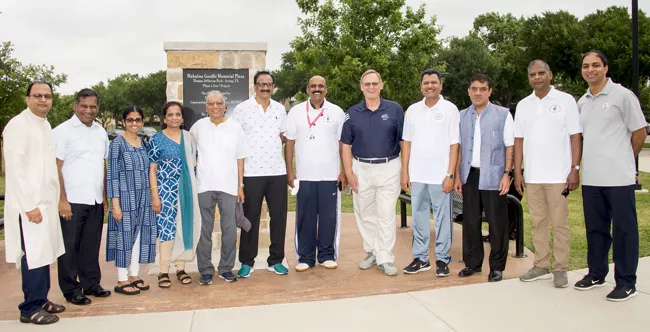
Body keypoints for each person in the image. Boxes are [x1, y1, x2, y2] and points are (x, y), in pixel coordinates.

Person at [573, 50, 647, 301]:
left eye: (595, 65)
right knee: (596, 229)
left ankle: (626, 282)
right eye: (585, 66)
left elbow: (639, 132)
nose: (590, 70)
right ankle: (596, 273)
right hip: (592, 178)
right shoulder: (582, 101)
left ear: (606, 67)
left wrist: (624, 157)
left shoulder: (623, 96)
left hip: (618, 178)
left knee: (625, 231)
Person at [514, 60, 582, 288]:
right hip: (533, 176)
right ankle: (541, 265)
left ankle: (560, 268)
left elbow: (575, 136)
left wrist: (574, 169)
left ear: (550, 75)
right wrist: (518, 171)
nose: (537, 77)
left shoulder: (565, 101)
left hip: (558, 176)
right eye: (532, 74)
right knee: (538, 223)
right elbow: (519, 140)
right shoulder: (524, 104)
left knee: (559, 223)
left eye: (541, 73)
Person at [3, 82, 65, 324]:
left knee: (45, 253)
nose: (43, 100)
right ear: (27, 98)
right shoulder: (18, 126)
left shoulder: (45, 124)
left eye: (47, 96)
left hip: (46, 203)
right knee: (34, 255)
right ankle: (29, 308)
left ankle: (41, 300)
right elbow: (16, 170)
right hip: (30, 205)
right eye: (37, 95)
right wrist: (29, 206)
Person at [340, 69, 404, 276]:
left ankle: (385, 258)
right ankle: (373, 252)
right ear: (361, 87)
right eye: (367, 84)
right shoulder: (352, 113)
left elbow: (404, 141)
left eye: (374, 83)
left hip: (389, 167)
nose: (371, 87)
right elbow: (345, 145)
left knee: (385, 214)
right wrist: (349, 173)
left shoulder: (394, 110)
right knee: (365, 213)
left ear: (381, 85)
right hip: (362, 168)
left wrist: (406, 171)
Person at [53, 88, 111, 305]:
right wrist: (62, 199)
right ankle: (71, 289)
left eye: (93, 106)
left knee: (91, 245)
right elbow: (55, 168)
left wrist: (104, 196)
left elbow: (102, 165)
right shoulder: (62, 131)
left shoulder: (100, 132)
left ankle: (91, 284)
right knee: (69, 247)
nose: (89, 110)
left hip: (95, 199)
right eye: (84, 106)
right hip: (72, 201)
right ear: (75, 106)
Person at [454, 74, 514, 282]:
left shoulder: (503, 114)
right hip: (469, 175)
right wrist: (456, 176)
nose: (478, 92)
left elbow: (510, 146)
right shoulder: (462, 115)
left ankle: (497, 266)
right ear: (469, 91)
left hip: (494, 176)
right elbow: (459, 146)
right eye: (474, 89)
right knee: (470, 222)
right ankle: (473, 263)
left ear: (490, 91)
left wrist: (507, 174)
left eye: (482, 89)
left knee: (497, 224)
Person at [401, 69, 459, 277]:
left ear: (440, 85)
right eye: (426, 83)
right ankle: (421, 258)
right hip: (417, 175)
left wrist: (450, 174)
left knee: (443, 219)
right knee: (419, 217)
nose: (430, 86)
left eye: (434, 82)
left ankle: (442, 259)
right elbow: (406, 142)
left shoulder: (450, 109)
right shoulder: (413, 110)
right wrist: (405, 171)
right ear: (421, 86)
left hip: (440, 176)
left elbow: (455, 144)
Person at [285, 76, 346, 272]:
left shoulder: (336, 112)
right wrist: (290, 170)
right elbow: (290, 143)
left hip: (330, 175)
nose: (317, 89)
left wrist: (344, 171)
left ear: (326, 89)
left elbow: (343, 144)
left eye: (320, 86)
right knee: (305, 217)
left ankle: (327, 255)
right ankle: (306, 257)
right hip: (304, 175)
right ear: (307, 89)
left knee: (329, 218)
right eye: (313, 86)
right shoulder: (295, 112)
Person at [231, 71, 289, 277]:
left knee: (279, 217)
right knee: (250, 218)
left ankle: (276, 260)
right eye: (261, 84)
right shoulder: (241, 109)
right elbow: (235, 141)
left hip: (277, 172)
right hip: (251, 172)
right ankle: (247, 261)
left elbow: (283, 137)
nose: (265, 87)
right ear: (254, 86)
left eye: (269, 84)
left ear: (273, 87)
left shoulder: (280, 109)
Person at [191, 91, 248, 284]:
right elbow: (190, 153)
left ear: (225, 106)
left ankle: (226, 268)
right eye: (211, 103)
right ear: (206, 107)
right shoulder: (198, 127)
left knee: (230, 229)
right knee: (203, 230)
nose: (215, 107)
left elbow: (240, 158)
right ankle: (206, 270)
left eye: (219, 103)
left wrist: (240, 185)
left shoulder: (235, 128)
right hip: (203, 185)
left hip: (229, 186)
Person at [149, 101, 201, 287]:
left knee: (184, 226)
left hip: (186, 190)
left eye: (177, 114)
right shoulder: (157, 139)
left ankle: (180, 267)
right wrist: (155, 196)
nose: (174, 118)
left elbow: (193, 167)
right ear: (164, 118)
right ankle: (163, 271)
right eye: (170, 115)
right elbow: (152, 170)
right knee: (166, 229)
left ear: (182, 118)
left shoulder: (188, 138)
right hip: (165, 191)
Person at [106, 106, 157, 295]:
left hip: (142, 197)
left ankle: (134, 274)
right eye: (130, 120)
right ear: (123, 122)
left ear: (142, 122)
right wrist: (115, 203)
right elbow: (112, 175)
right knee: (124, 237)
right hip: (124, 197)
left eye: (137, 120)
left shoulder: (144, 144)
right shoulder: (117, 144)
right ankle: (122, 278)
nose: (134, 123)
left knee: (138, 238)